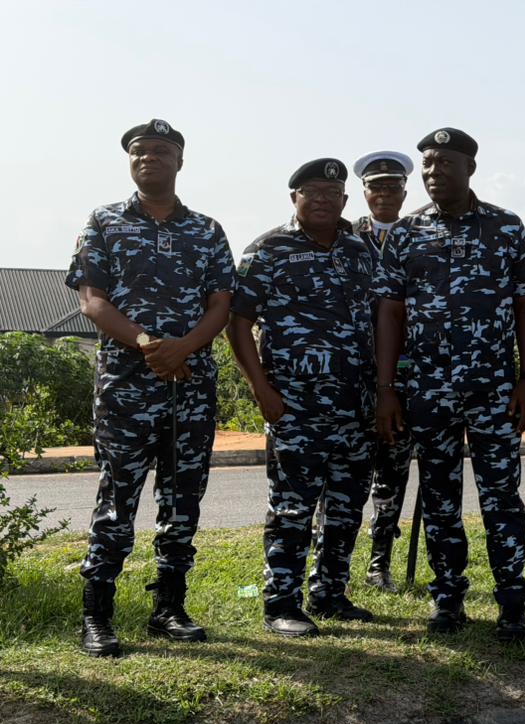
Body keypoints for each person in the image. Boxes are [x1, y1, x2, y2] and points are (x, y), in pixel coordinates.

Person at [67, 119, 235, 657]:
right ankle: (98, 614)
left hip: (191, 384)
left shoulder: (207, 230)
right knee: (117, 499)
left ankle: (169, 607)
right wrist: (149, 345)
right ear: (130, 162)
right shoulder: (104, 222)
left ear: (180, 161)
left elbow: (222, 305)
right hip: (126, 387)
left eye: (161, 151)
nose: (149, 158)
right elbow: (92, 301)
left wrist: (182, 348)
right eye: (140, 152)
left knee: (183, 498)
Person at [373, 128, 525, 642]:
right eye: (426, 165)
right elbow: (390, 313)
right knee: (441, 499)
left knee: (501, 499)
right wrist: (387, 388)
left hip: (493, 390)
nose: (433, 173)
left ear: (470, 168)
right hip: (429, 391)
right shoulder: (404, 234)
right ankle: (448, 600)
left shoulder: (506, 228)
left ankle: (512, 601)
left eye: (444, 163)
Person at [228, 158, 377, 638]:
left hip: (356, 405)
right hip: (294, 404)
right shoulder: (268, 249)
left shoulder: (361, 251)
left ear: (345, 203)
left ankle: (330, 592)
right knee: (292, 507)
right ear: (294, 198)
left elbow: (382, 316)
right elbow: (238, 323)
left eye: (332, 194)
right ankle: (281, 604)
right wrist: (260, 388)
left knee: (347, 505)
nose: (322, 201)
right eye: (312, 192)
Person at [353, 150, 414, 592]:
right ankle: (329, 562)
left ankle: (380, 563)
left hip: (406, 378)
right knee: (343, 476)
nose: (384, 194)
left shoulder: (420, 237)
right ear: (364, 192)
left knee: (392, 476)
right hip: (352, 375)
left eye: (392, 187)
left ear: (405, 192)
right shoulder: (344, 238)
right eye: (377, 187)